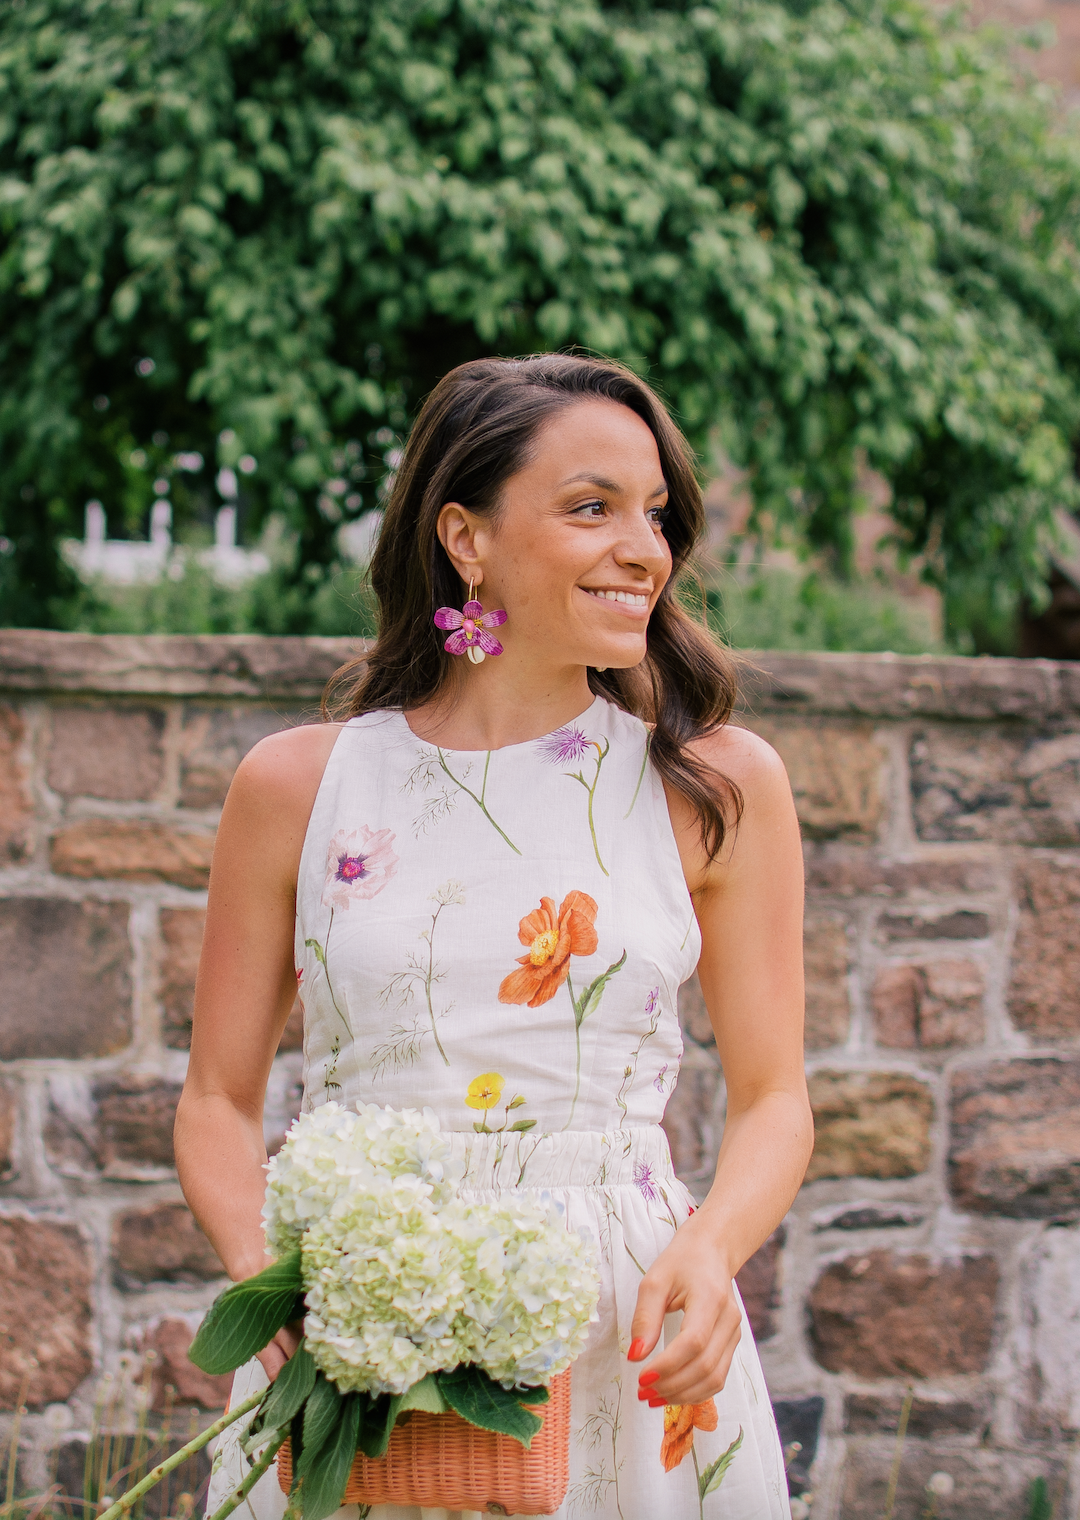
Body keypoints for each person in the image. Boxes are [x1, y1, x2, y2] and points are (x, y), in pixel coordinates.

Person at [177, 353, 811, 1520]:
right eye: (591, 507)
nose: (645, 549)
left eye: (656, 513)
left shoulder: (716, 786)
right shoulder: (298, 785)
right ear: (465, 538)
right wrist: (273, 1295)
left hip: (622, 1321)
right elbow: (217, 1097)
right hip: (362, 1340)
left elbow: (777, 1097)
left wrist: (713, 1249)